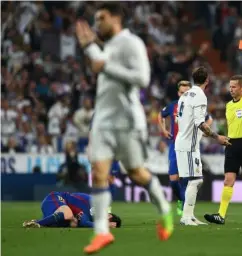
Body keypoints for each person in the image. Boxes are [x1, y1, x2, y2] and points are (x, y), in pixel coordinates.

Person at [75, 3, 173, 253]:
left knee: (137, 173)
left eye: (102, 18)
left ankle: (164, 210)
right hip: (103, 121)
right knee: (98, 172)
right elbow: (100, 63)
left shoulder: (132, 44)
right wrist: (89, 47)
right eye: (95, 19)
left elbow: (142, 78)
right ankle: (101, 233)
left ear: (116, 18)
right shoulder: (108, 46)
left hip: (128, 121)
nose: (97, 23)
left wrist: (103, 62)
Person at [204, 46, 242, 225]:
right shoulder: (229, 105)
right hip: (231, 144)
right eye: (229, 87)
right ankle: (221, 215)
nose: (230, 89)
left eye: (234, 87)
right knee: (228, 180)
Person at [175, 67, 230, 226]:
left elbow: (182, 120)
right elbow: (200, 123)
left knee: (195, 180)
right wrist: (216, 137)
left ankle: (189, 216)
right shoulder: (200, 96)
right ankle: (186, 217)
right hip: (189, 145)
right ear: (207, 80)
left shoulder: (184, 95)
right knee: (196, 180)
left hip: (184, 141)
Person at [158, 80, 213, 216]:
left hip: (190, 145)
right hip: (174, 145)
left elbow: (208, 118)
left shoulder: (194, 105)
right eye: (182, 92)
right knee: (173, 179)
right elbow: (161, 115)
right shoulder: (173, 106)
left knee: (189, 179)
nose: (184, 94)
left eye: (187, 92)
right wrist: (164, 130)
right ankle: (181, 200)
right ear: (178, 93)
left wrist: (203, 131)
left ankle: (187, 210)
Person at [22, 192, 122, 228]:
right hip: (55, 198)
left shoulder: (91, 216)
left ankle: (41, 222)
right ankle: (38, 224)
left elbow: (84, 222)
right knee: (69, 215)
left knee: (73, 223)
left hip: (54, 210)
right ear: (109, 215)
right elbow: (85, 222)